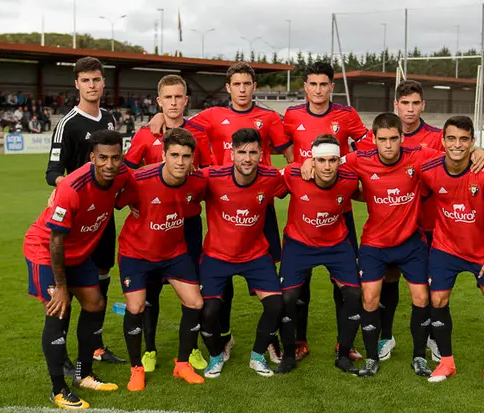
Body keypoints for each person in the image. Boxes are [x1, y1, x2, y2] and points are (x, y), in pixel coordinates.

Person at [149, 63, 292, 361]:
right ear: (228, 87)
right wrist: (161, 115)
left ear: (254, 86)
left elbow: (290, 157)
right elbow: (179, 123)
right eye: (236, 84)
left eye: (247, 83)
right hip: (224, 199)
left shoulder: (269, 117)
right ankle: (224, 335)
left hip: (259, 202)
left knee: (271, 277)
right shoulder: (212, 116)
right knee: (221, 277)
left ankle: (270, 338)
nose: (242, 89)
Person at [304, 113, 445, 378]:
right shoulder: (360, 159)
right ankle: (371, 359)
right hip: (374, 244)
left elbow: (454, 153)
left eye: (394, 139)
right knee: (369, 299)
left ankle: (418, 357)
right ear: (374, 140)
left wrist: (482, 153)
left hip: (411, 243)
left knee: (422, 298)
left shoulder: (418, 155)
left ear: (402, 138)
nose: (389, 145)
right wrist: (307, 162)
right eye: (383, 139)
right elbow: (331, 161)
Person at [377, 80, 484, 363]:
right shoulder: (385, 135)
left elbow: (458, 156)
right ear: (396, 105)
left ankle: (433, 336)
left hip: (432, 227)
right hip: (394, 225)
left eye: (415, 103)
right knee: (389, 279)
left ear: (423, 105)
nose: (410, 109)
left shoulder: (434, 136)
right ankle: (385, 335)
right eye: (404, 103)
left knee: (432, 287)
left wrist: (479, 153)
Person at [23, 129, 132, 410]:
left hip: (79, 253)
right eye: (103, 158)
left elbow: (143, 180)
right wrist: (61, 287)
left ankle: (84, 374)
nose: (110, 164)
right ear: (92, 157)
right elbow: (55, 240)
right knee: (60, 309)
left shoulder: (122, 175)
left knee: (95, 303)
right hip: (45, 251)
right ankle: (58, 389)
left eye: (116, 158)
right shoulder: (72, 187)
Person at [123, 74, 214, 374]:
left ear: (186, 100)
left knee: (193, 290)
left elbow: (208, 174)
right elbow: (126, 175)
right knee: (150, 293)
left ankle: (192, 351)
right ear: (159, 101)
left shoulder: (198, 132)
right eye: (168, 98)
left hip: (187, 224)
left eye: (179, 97)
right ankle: (149, 349)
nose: (174, 103)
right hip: (153, 227)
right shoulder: (145, 135)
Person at [279, 61, 369, 362]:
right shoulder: (292, 115)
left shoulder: (346, 114)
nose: (318, 90)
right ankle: (299, 341)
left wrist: (343, 163)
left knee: (344, 282)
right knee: (298, 285)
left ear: (332, 86)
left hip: (338, 208)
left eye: (324, 84)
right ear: (305, 86)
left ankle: (346, 342)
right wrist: (300, 165)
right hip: (304, 206)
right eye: (313, 84)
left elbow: (368, 146)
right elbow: (278, 144)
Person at [419, 116, 484, 390]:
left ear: (472, 142)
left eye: (463, 139)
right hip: (445, 248)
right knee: (437, 300)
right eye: (451, 138)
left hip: (482, 251)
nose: (457, 145)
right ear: (443, 140)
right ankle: (447, 362)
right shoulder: (429, 169)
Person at [45, 56, 124, 369]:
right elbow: (52, 171)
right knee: (69, 284)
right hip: (77, 220)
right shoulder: (67, 124)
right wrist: (68, 185)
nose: (92, 85)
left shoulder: (109, 119)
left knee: (102, 281)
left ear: (103, 82)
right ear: (77, 84)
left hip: (104, 217)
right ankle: (62, 353)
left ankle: (95, 346)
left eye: (97, 79)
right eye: (86, 80)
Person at [198, 128, 287, 379]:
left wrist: (310, 165)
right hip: (217, 255)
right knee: (208, 311)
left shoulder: (270, 177)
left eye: (253, 152)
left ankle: (257, 356)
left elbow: (296, 182)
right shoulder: (212, 176)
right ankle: (216, 356)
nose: (247, 158)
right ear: (232, 153)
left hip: (255, 255)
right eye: (241, 152)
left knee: (276, 305)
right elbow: (181, 184)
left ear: (261, 154)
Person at [276, 134, 363, 375]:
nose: (327, 166)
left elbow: (371, 169)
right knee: (287, 298)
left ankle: (343, 354)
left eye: (332, 160)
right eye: (321, 160)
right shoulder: (294, 174)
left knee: (354, 294)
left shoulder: (349, 178)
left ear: (339, 161)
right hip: (299, 243)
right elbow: (264, 181)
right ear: (312, 161)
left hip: (336, 243)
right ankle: (289, 354)